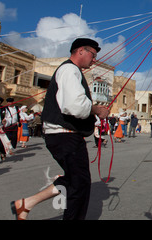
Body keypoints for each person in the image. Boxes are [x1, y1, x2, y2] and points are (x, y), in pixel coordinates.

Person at [10, 38, 109, 220]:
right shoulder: (70, 70)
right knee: (80, 185)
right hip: (65, 136)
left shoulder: (71, 71)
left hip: (63, 135)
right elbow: (74, 106)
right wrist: (96, 109)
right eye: (93, 55)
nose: (94, 60)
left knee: (74, 179)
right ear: (80, 51)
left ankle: (26, 204)